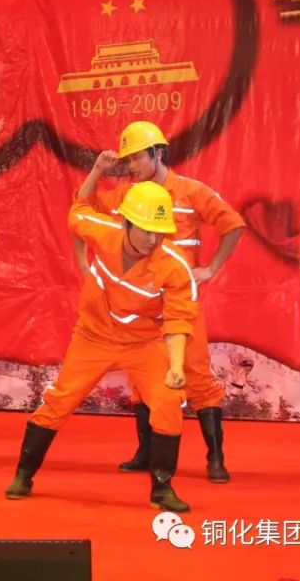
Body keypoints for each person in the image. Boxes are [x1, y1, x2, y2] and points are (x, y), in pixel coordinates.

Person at [6, 181, 196, 512]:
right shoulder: (102, 229)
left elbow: (179, 320)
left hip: (143, 343)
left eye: (159, 232)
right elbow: (76, 213)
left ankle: (162, 488)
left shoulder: (175, 266)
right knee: (59, 400)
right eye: (146, 230)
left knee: (168, 401)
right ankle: (23, 475)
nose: (152, 240)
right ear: (127, 223)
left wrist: (177, 367)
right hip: (93, 338)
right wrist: (81, 260)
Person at [75, 121, 244, 482]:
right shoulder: (128, 195)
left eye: (137, 157)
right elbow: (83, 206)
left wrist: (211, 268)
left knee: (197, 376)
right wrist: (98, 170)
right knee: (142, 381)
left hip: (180, 304)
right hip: (141, 307)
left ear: (158, 153)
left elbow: (233, 224)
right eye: (127, 160)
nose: (131, 165)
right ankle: (146, 453)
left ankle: (215, 458)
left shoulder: (191, 191)